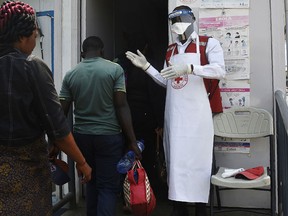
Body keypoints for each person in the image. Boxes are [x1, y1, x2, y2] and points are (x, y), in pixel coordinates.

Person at [126, 5, 226, 216]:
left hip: (198, 116)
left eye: (179, 20)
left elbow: (219, 70)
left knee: (198, 162)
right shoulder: (171, 50)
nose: (175, 25)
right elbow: (167, 81)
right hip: (175, 115)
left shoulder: (208, 43)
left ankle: (200, 208)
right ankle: (179, 207)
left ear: (191, 20)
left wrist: (190, 68)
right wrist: (147, 68)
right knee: (176, 162)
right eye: (173, 22)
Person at [0, 1, 92, 216]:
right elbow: (58, 128)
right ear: (23, 36)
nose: (35, 40)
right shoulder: (32, 67)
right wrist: (82, 162)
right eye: (35, 34)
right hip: (26, 174)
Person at [59, 36, 142, 216]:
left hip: (81, 138)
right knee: (107, 187)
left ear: (83, 53)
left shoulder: (71, 74)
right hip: (109, 137)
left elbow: (61, 112)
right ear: (102, 51)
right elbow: (121, 105)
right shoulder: (114, 70)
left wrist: (55, 142)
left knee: (91, 182)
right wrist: (132, 141)